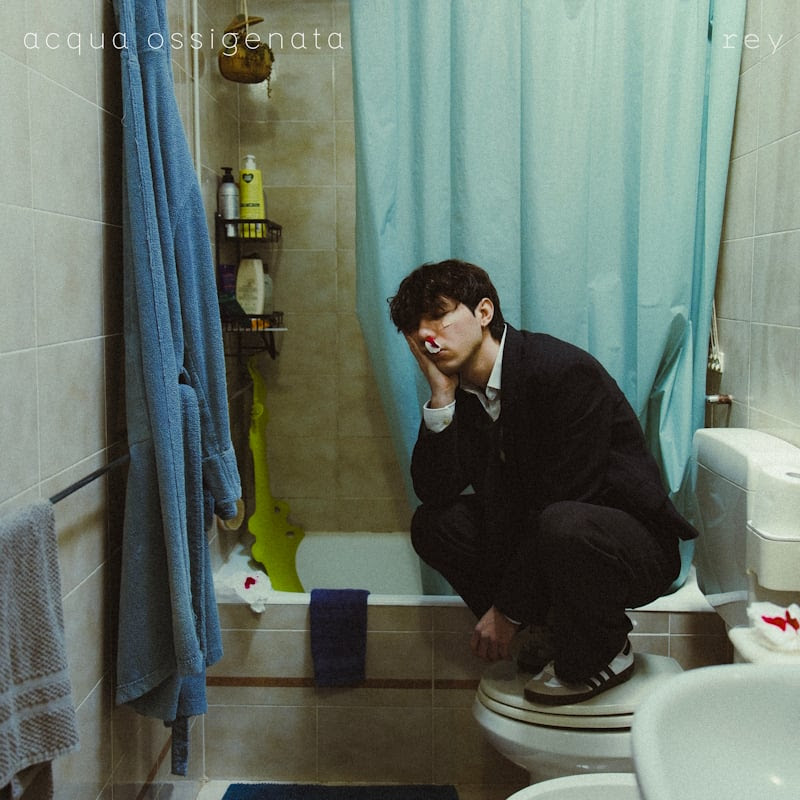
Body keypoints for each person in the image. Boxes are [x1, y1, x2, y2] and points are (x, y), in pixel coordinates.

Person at [388, 259, 698, 705]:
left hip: (628, 546)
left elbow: (570, 497)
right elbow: (434, 492)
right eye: (413, 328)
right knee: (434, 524)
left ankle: (607, 648)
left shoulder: (560, 371)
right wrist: (441, 398)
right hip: (552, 537)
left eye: (437, 316)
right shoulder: (466, 393)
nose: (425, 336)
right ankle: (548, 632)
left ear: (483, 312)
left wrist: (507, 611)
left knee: (561, 521)